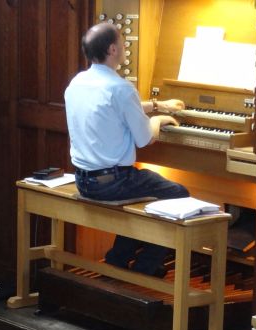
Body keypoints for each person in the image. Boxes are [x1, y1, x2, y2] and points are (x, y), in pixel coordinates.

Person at [65, 22, 190, 276]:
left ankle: (117, 259)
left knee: (148, 195)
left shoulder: (78, 82)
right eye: (122, 43)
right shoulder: (121, 88)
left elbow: (111, 108)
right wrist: (158, 121)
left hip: (84, 179)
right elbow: (144, 139)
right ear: (113, 49)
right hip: (115, 182)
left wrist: (157, 104)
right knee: (179, 193)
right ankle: (148, 267)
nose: (124, 46)